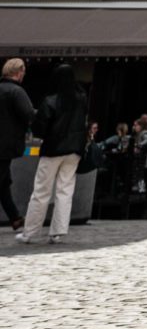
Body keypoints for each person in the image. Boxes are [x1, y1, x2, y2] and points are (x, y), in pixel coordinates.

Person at [19, 64, 89, 245]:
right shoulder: (81, 99)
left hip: (53, 149)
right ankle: (57, 232)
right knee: (65, 190)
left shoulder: (50, 101)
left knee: (42, 190)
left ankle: (30, 231)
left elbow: (40, 128)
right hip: (74, 149)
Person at [0, 57, 33, 235]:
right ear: (19, 72)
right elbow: (29, 113)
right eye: (23, 72)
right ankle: (15, 218)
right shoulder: (16, 92)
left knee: (4, 183)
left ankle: (15, 218)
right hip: (5, 144)